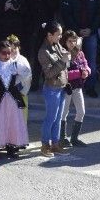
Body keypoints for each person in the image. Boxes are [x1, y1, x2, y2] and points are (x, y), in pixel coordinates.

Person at [0, 40, 30, 159]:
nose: (7, 56)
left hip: (13, 99)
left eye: (9, 53)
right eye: (4, 53)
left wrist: (18, 85)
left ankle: (11, 145)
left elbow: (27, 74)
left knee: (12, 121)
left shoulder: (15, 64)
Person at [60, 0, 100, 98]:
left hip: (90, 32)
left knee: (91, 61)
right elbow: (66, 14)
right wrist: (77, 30)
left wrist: (91, 29)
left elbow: (99, 13)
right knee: (72, 60)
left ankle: (90, 87)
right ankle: (74, 87)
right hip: (74, 33)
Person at [37, 21, 70, 158]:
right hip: (51, 88)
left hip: (61, 86)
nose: (60, 37)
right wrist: (63, 61)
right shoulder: (43, 51)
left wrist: (74, 48)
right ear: (49, 35)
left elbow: (67, 57)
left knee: (58, 118)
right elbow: (49, 73)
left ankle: (55, 144)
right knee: (50, 118)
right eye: (58, 34)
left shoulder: (56, 45)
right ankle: (45, 144)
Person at [60, 30, 90, 147]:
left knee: (81, 111)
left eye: (74, 41)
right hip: (66, 88)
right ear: (65, 42)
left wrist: (86, 72)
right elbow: (64, 73)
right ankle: (62, 138)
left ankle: (74, 138)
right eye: (69, 41)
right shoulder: (62, 53)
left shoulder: (79, 53)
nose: (72, 43)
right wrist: (79, 72)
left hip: (78, 87)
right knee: (64, 113)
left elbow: (86, 65)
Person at [26, 0, 59, 91]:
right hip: (36, 28)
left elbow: (55, 6)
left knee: (50, 55)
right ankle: (35, 82)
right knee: (37, 56)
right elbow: (31, 7)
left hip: (50, 29)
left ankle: (48, 80)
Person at [7, 34, 31, 123]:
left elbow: (27, 77)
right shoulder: (6, 60)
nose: (13, 51)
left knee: (20, 122)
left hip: (20, 95)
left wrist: (16, 87)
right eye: (10, 49)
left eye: (15, 49)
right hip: (7, 96)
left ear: (18, 48)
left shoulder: (22, 61)